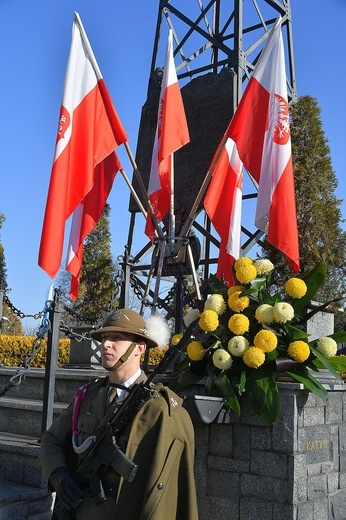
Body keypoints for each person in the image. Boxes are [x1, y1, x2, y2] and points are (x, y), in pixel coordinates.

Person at [40, 308, 199, 520]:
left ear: (139, 348)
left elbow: (164, 493)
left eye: (117, 338)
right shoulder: (89, 395)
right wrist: (58, 474)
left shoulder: (159, 409)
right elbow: (51, 439)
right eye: (105, 337)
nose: (106, 344)